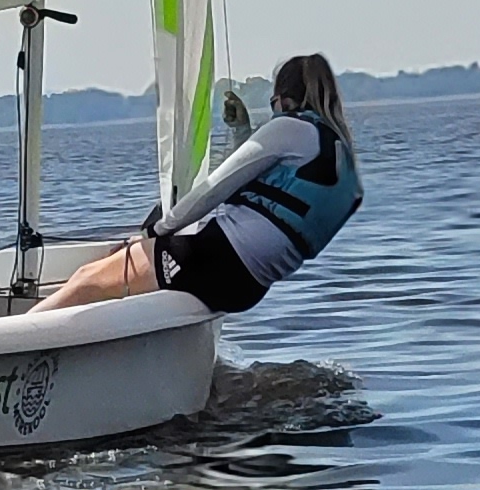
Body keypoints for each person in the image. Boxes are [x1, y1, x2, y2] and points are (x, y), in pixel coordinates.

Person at [36, 53, 362, 315]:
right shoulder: (339, 153)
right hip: (248, 285)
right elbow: (263, 194)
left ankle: (22, 338)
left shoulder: (291, 128)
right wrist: (242, 131)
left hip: (217, 260)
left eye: (273, 103)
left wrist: (154, 232)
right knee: (110, 274)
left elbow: (213, 190)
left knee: (87, 279)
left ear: (286, 101)